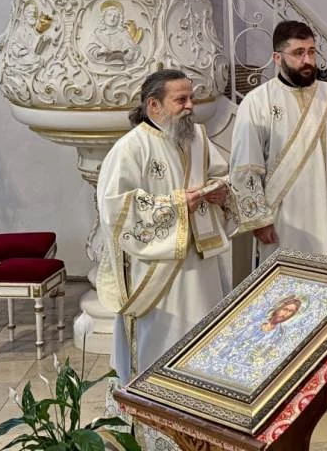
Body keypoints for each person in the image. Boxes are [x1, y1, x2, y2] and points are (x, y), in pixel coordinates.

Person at [96, 69, 236, 381]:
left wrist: (222, 192)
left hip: (202, 264)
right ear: (154, 105)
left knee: (205, 339)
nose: (190, 106)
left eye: (191, 98)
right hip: (157, 269)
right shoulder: (130, 148)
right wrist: (175, 204)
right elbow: (115, 209)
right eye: (181, 100)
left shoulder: (197, 137)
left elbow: (222, 176)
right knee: (161, 343)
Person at [229, 20, 327, 260]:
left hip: (322, 210)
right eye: (298, 53)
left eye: (311, 51)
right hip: (281, 217)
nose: (307, 60)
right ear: (277, 57)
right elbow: (245, 166)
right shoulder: (257, 102)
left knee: (323, 272)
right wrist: (258, 220)